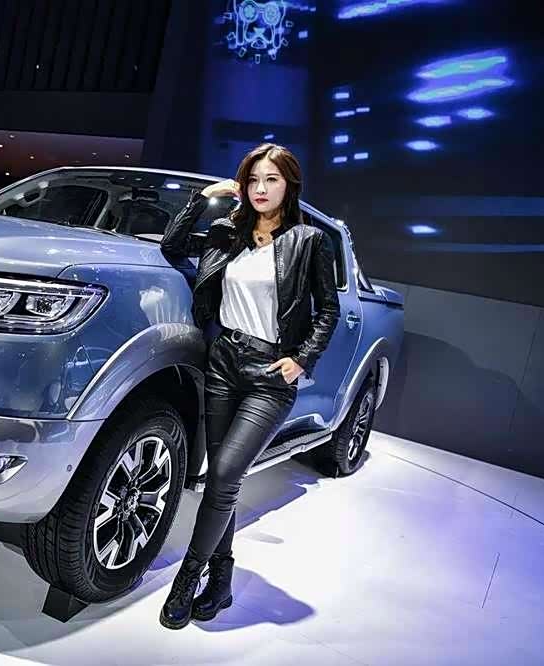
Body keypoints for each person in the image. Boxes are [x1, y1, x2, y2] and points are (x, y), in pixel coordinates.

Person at [157, 143, 340, 629]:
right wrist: (203, 198)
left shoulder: (309, 241)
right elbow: (173, 245)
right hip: (223, 363)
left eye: (271, 179)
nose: (260, 188)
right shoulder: (228, 232)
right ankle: (221, 579)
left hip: (270, 374)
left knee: (223, 476)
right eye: (253, 179)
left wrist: (302, 359)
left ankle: (187, 578)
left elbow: (328, 309)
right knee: (222, 479)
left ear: (289, 185)